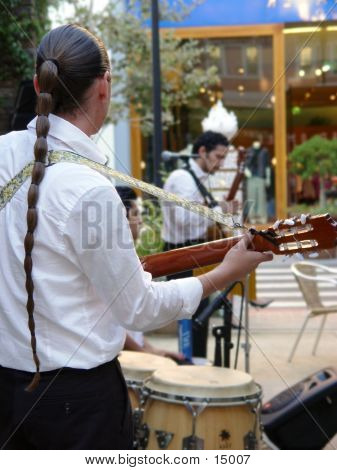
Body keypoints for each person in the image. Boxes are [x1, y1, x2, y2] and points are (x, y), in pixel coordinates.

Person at [0, 24, 272, 450]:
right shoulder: (90, 190)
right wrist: (224, 273)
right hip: (77, 406)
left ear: (38, 84)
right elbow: (139, 309)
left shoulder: (4, 152)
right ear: (104, 88)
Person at [162, 131, 237, 359]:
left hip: (194, 252)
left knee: (200, 317)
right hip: (181, 254)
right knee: (191, 318)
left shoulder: (199, 179)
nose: (221, 163)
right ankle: (190, 367)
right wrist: (219, 211)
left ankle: (197, 364)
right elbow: (184, 221)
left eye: (224, 157)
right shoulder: (182, 178)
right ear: (202, 152)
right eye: (218, 156)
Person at [115, 186, 184, 362]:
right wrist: (148, 355)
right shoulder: (114, 264)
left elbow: (130, 330)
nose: (141, 222)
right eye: (136, 214)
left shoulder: (127, 258)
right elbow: (112, 327)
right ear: (122, 219)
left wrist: (153, 350)